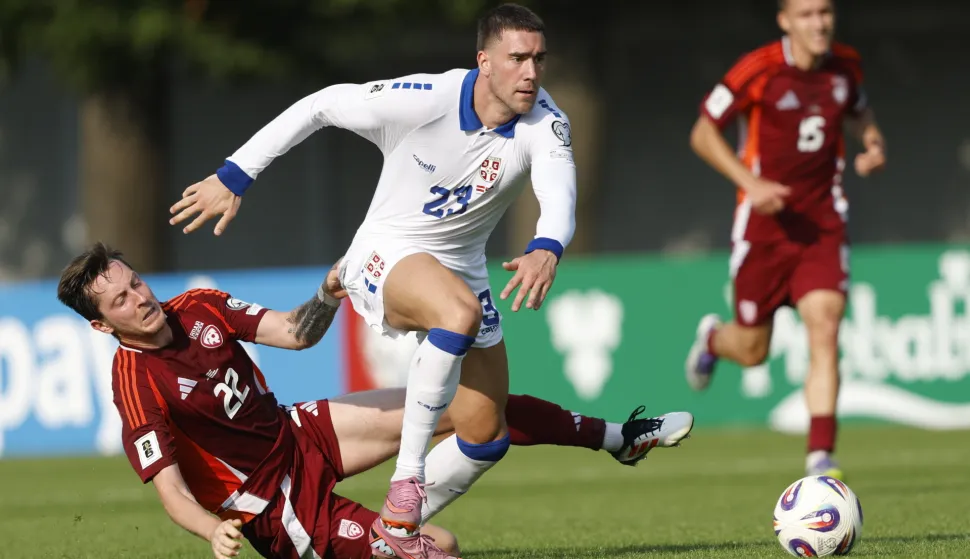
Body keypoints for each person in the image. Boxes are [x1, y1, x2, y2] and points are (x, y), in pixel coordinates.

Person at [168, 4, 592, 553]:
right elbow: (319, 106)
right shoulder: (424, 100)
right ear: (484, 61)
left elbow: (559, 194)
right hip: (380, 255)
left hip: (460, 269)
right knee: (456, 312)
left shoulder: (546, 120)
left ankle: (386, 538)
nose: (532, 73)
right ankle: (404, 488)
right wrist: (235, 174)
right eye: (517, 59)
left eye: (538, 58)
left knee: (483, 432)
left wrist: (546, 247)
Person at [56, 242, 694, 559]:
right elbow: (169, 490)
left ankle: (619, 437)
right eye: (120, 300)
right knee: (439, 548)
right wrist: (212, 530)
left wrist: (329, 292)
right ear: (102, 325)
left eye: (134, 282)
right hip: (276, 509)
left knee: (471, 403)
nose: (139, 297)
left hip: (297, 432)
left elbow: (293, 334)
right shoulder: (135, 385)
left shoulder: (196, 305)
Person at [685, 0, 886, 480]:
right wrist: (750, 184)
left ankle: (821, 456)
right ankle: (713, 339)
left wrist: (873, 143)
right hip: (763, 230)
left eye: (825, 13)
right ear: (785, 20)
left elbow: (859, 110)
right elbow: (702, 134)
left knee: (825, 324)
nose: (818, 23)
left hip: (821, 224)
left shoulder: (845, 66)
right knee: (754, 351)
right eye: (806, 14)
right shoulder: (759, 70)